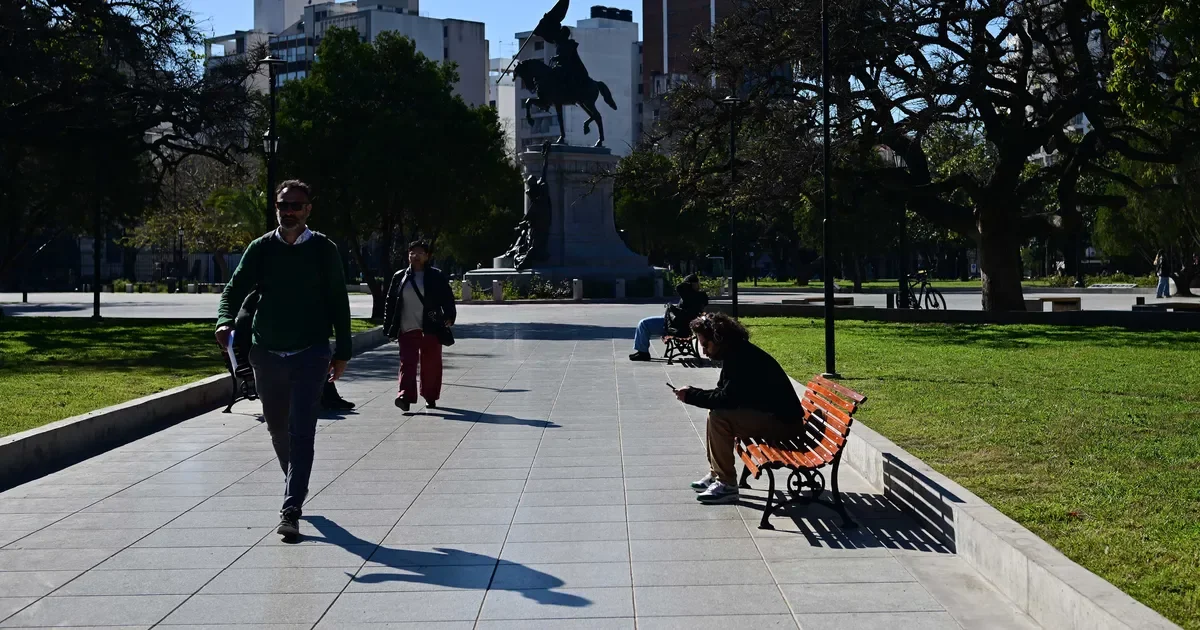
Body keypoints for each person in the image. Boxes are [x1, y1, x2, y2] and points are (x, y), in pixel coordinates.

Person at [216, 179, 352, 541]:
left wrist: (343, 351)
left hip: (311, 351)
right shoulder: (261, 248)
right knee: (277, 427)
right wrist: (223, 319)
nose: (288, 211)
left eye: (295, 205)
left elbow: (339, 299)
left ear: (308, 209)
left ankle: (291, 507)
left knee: (302, 429)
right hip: (267, 351)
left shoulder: (324, 249)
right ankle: (296, 479)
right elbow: (234, 287)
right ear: (276, 208)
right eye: (282, 205)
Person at [673, 312, 804, 504]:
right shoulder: (736, 353)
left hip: (785, 426)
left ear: (718, 339)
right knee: (715, 414)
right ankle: (717, 473)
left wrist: (692, 395)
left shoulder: (742, 359)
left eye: (705, 345)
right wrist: (693, 393)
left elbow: (727, 399)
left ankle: (727, 485)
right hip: (774, 418)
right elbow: (723, 393)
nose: (704, 352)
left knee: (719, 417)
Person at [384, 240, 457, 411]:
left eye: (420, 253)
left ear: (427, 256)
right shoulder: (399, 276)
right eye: (412, 253)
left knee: (431, 364)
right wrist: (388, 325)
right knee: (407, 363)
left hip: (430, 327)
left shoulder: (436, 276)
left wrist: (450, 315)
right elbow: (390, 301)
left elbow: (447, 297)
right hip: (406, 326)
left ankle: (430, 396)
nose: (415, 256)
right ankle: (404, 396)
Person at [629, 274, 708, 361]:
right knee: (645, 323)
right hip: (676, 322)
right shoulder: (697, 296)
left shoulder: (692, 296)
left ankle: (643, 353)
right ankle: (641, 351)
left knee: (643, 323)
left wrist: (689, 284)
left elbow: (679, 287)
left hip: (675, 326)